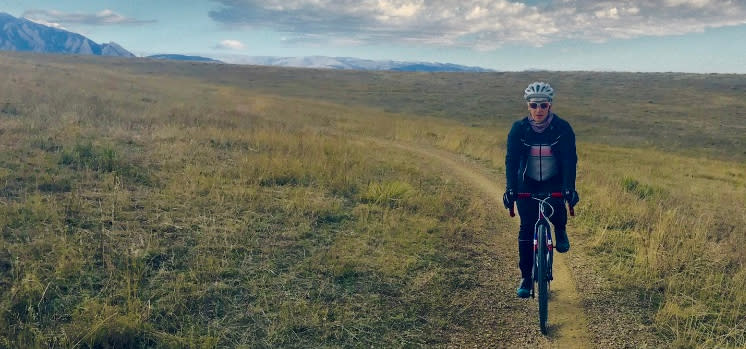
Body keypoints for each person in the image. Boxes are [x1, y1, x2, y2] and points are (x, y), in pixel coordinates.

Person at [503, 81, 579, 298]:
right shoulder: (519, 129)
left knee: (557, 205)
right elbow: (511, 160)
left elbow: (569, 160)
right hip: (527, 181)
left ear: (550, 106)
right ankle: (526, 277)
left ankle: (560, 229)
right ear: (528, 106)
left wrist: (569, 188)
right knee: (526, 229)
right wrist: (510, 189)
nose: (538, 110)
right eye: (534, 105)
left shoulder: (562, 128)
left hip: (553, 179)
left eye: (543, 105)